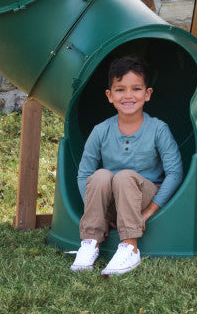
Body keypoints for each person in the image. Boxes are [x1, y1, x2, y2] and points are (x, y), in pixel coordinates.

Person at [69, 55, 183, 276]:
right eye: (120, 90)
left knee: (124, 176)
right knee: (100, 175)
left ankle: (130, 247)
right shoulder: (101, 130)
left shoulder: (158, 129)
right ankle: (90, 243)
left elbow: (175, 173)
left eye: (136, 89)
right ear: (109, 96)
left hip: (144, 197)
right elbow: (84, 175)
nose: (128, 96)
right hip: (112, 202)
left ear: (147, 94)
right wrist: (99, 212)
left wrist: (149, 212)